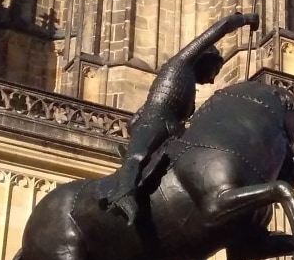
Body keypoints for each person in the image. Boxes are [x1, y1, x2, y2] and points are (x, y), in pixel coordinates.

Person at [103, 12, 261, 224]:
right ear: (205, 58)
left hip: (170, 132)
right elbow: (220, 27)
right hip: (156, 121)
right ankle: (123, 196)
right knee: (138, 156)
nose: (213, 80)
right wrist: (246, 20)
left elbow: (134, 119)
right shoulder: (179, 65)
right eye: (216, 70)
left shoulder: (188, 86)